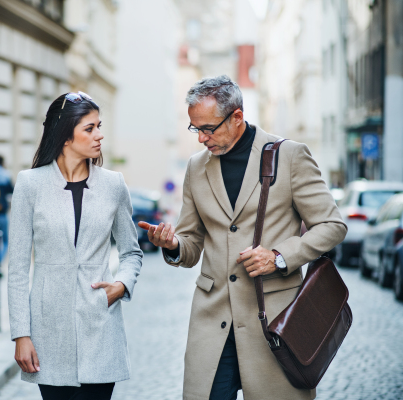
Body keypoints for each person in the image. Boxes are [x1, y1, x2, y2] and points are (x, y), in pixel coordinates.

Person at [138, 75, 347, 400]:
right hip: (212, 321)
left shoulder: (289, 156)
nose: (201, 139)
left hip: (274, 321)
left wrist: (278, 256)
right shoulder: (196, 168)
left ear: (237, 117)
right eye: (196, 129)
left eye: (208, 128)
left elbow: (332, 225)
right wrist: (174, 245)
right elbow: (191, 242)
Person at [7, 91, 143, 400]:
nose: (100, 135)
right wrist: (21, 335)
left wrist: (121, 285)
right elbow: (16, 269)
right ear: (66, 136)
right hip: (48, 333)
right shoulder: (29, 185)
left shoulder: (114, 185)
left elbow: (132, 252)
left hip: (100, 326)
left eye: (99, 126)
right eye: (90, 128)